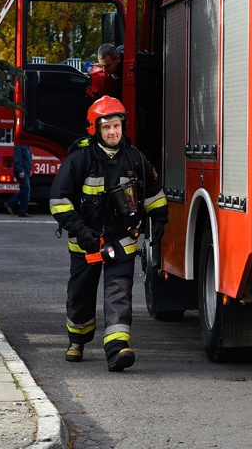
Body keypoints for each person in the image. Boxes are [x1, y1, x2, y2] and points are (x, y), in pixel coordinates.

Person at [49, 96, 167, 371]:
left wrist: (159, 219)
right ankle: (77, 340)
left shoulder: (135, 159)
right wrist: (79, 230)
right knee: (80, 294)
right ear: (95, 129)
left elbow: (153, 193)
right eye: (107, 128)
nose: (113, 132)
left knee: (119, 292)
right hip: (85, 243)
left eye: (117, 126)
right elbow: (58, 200)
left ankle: (117, 349)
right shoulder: (78, 160)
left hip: (122, 241)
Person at [5, 144, 33, 218]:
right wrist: (20, 170)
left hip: (25, 170)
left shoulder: (27, 146)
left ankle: (22, 212)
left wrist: (30, 169)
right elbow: (18, 158)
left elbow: (28, 158)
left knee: (26, 190)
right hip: (21, 170)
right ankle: (10, 203)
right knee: (25, 188)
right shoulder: (19, 145)